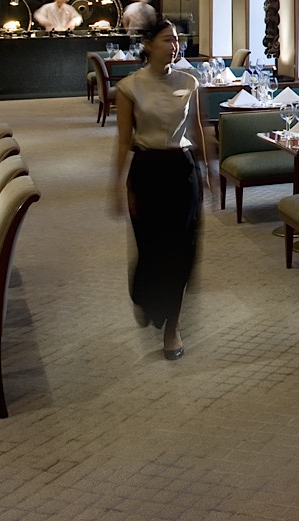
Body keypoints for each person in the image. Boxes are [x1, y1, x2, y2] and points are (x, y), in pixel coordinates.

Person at [110, 19, 208, 359]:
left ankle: (173, 328)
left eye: (177, 39)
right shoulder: (129, 87)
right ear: (149, 44)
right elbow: (123, 141)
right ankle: (147, 297)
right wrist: (118, 185)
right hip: (147, 172)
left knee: (182, 251)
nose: (174, 45)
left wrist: (207, 171)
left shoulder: (190, 81)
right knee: (151, 250)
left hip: (182, 171)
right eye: (167, 39)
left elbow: (197, 128)